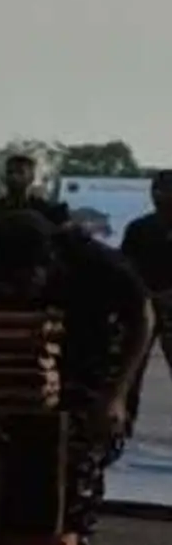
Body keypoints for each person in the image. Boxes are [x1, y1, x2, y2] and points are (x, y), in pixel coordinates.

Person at [0, 211, 155, 545]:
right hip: (24, 382)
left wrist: (115, 397)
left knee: (70, 497)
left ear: (48, 263)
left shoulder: (96, 264)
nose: (13, 291)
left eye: (23, 282)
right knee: (8, 493)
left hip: (94, 381)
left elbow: (144, 318)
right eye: (5, 284)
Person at [118, 170, 172, 419]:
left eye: (165, 190)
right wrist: (143, 295)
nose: (158, 195)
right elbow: (126, 267)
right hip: (143, 306)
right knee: (131, 369)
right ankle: (123, 426)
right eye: (155, 190)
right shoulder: (139, 228)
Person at [0, 152, 71, 248]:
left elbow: (63, 238)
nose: (14, 177)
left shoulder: (49, 211)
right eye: (10, 172)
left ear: (31, 177)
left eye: (20, 172)